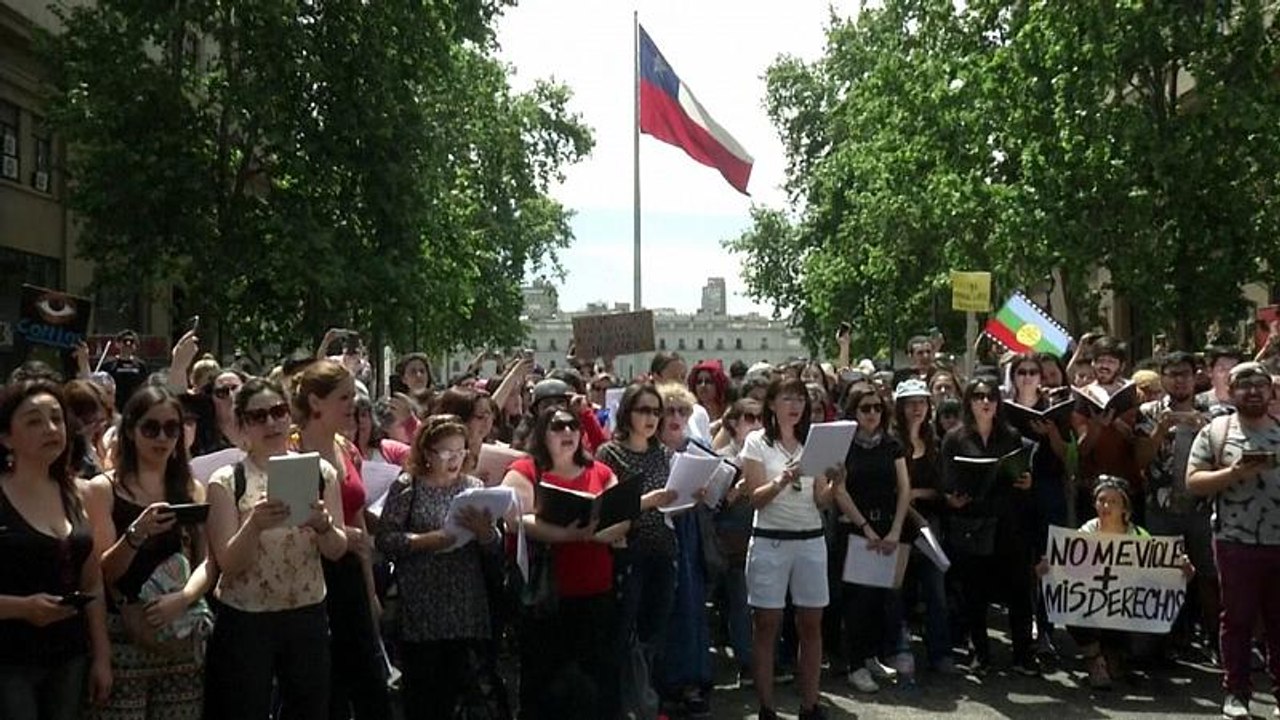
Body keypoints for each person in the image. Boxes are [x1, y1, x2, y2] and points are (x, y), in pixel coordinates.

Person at [202, 377, 348, 720]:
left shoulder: (320, 472)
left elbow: (337, 550)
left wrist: (323, 525)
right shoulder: (226, 480)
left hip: (306, 613)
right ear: (242, 426)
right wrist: (254, 525)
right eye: (258, 416)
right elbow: (228, 563)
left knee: (308, 710)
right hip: (247, 619)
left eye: (278, 412)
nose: (271, 422)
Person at [83, 386, 212, 719]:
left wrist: (183, 598)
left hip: (180, 631)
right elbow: (102, 573)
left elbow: (208, 563)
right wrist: (136, 534)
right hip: (124, 635)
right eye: (151, 427)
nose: (163, 437)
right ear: (130, 430)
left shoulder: (191, 488)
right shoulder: (104, 489)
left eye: (172, 428)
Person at [501, 406, 629, 720]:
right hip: (546, 597)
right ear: (542, 434)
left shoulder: (600, 471)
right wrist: (565, 535)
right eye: (558, 427)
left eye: (573, 426)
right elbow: (515, 517)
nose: (568, 433)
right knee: (545, 680)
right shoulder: (525, 469)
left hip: (596, 589)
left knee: (597, 678)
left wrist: (594, 535)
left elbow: (621, 514)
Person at [375, 415, 505, 718]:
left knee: (462, 691)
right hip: (422, 605)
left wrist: (486, 533)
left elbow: (493, 548)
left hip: (464, 604)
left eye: (459, 453)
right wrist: (426, 541)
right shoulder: (409, 487)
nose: (453, 460)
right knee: (424, 695)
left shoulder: (473, 487)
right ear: (427, 453)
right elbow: (385, 539)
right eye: (445, 453)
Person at [0, 380, 112, 720]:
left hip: (69, 656)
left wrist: (102, 657)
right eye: (34, 420)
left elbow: (92, 582)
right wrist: (23, 608)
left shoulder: (76, 494)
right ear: (6, 437)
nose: (50, 428)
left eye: (56, 418)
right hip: (9, 661)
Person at [290, 360, 390, 720]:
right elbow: (293, 525)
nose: (353, 405)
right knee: (323, 690)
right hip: (309, 579)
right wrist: (338, 533)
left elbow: (359, 518)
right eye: (344, 396)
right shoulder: (291, 450)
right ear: (315, 402)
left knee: (369, 684)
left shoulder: (347, 450)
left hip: (348, 576)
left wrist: (370, 592)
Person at [740, 377, 843, 720]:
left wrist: (836, 485)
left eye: (800, 399)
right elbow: (755, 499)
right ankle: (767, 707)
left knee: (811, 624)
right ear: (772, 404)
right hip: (771, 540)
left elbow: (820, 500)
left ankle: (810, 704)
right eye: (787, 398)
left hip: (810, 540)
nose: (795, 405)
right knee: (767, 623)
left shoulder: (814, 443)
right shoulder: (757, 442)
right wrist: (782, 479)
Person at [1186, 362, 1280, 720]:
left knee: (1278, 622)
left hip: (1278, 542)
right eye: (1244, 385)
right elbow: (1193, 482)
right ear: (1232, 391)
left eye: (1260, 384)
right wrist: (1234, 473)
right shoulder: (1216, 432)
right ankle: (1236, 693)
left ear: (1270, 391)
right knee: (1237, 621)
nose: (1253, 391)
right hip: (1234, 542)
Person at [941, 377, 1039, 676]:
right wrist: (951, 498)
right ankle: (980, 653)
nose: (986, 402)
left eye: (991, 397)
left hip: (1008, 521)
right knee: (975, 592)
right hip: (972, 521)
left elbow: (1023, 471)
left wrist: (1027, 480)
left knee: (1019, 590)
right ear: (969, 401)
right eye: (979, 396)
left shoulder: (1010, 436)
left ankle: (1023, 655)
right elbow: (946, 479)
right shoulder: (955, 438)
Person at [593, 385, 682, 715]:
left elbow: (673, 504)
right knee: (624, 631)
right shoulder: (609, 454)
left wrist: (691, 495)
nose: (651, 418)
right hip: (628, 552)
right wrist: (647, 502)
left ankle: (647, 698)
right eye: (643, 410)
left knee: (654, 630)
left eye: (656, 412)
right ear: (627, 412)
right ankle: (622, 703)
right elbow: (607, 509)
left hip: (663, 549)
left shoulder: (664, 454)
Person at [1134, 352, 1218, 661]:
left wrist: (1204, 428)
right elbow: (1140, 460)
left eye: (1184, 373)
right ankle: (1161, 642)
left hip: (1202, 508)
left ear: (1196, 376)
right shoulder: (1148, 411)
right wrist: (1160, 429)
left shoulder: (1214, 411)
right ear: (1162, 378)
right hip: (1161, 508)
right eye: (1171, 374)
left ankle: (1215, 640)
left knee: (1209, 576)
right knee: (1162, 577)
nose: (1179, 380)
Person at [832, 386, 911, 693]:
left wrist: (894, 530)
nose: (872, 414)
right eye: (865, 408)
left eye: (877, 408)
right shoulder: (844, 447)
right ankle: (855, 665)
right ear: (854, 411)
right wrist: (864, 527)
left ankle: (872, 656)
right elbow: (839, 490)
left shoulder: (892, 444)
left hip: (888, 529)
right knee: (857, 601)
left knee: (883, 600)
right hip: (855, 531)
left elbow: (904, 488)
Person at [890, 379, 953, 674]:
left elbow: (940, 488)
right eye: (910, 402)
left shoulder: (935, 443)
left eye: (922, 402)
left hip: (928, 525)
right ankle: (900, 647)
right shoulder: (890, 443)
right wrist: (906, 498)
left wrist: (913, 494)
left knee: (935, 591)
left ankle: (940, 653)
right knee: (897, 591)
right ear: (900, 407)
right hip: (897, 525)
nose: (916, 408)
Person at [708, 399, 762, 687]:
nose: (756, 424)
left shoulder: (764, 452)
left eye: (760, 417)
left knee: (757, 601)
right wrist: (738, 487)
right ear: (733, 423)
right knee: (740, 600)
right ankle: (747, 662)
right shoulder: (724, 457)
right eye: (750, 418)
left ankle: (763, 660)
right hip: (731, 538)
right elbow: (714, 503)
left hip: (761, 535)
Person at [102, 330, 149, 412]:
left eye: (132, 342)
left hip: (134, 407)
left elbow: (145, 386)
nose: (128, 344)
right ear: (118, 344)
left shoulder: (141, 365)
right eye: (125, 341)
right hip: (114, 407)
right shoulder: (108, 364)